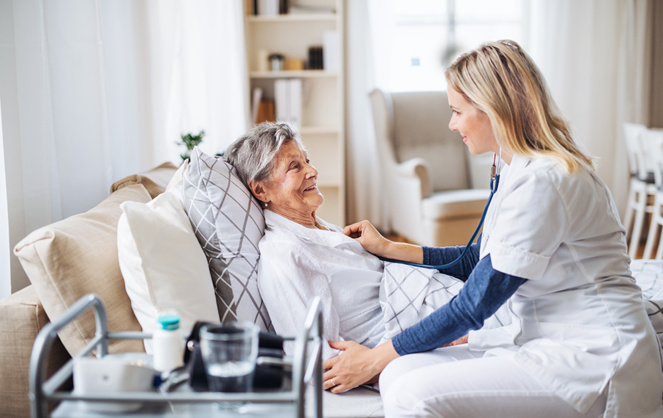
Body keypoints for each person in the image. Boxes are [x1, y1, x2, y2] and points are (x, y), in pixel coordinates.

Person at [321, 40, 663, 417]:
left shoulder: (545, 181)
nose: (451, 124)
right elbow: (476, 259)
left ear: (494, 110)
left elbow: (475, 304)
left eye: (457, 111)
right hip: (546, 339)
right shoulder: (517, 166)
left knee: (411, 395)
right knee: (398, 372)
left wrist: (373, 357)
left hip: (594, 356)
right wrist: (388, 247)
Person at [223, 122, 498, 361]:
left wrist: (386, 249)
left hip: (459, 305)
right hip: (441, 332)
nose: (312, 171)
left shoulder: (321, 230)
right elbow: (318, 355)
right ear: (260, 189)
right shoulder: (284, 254)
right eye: (295, 166)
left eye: (307, 160)